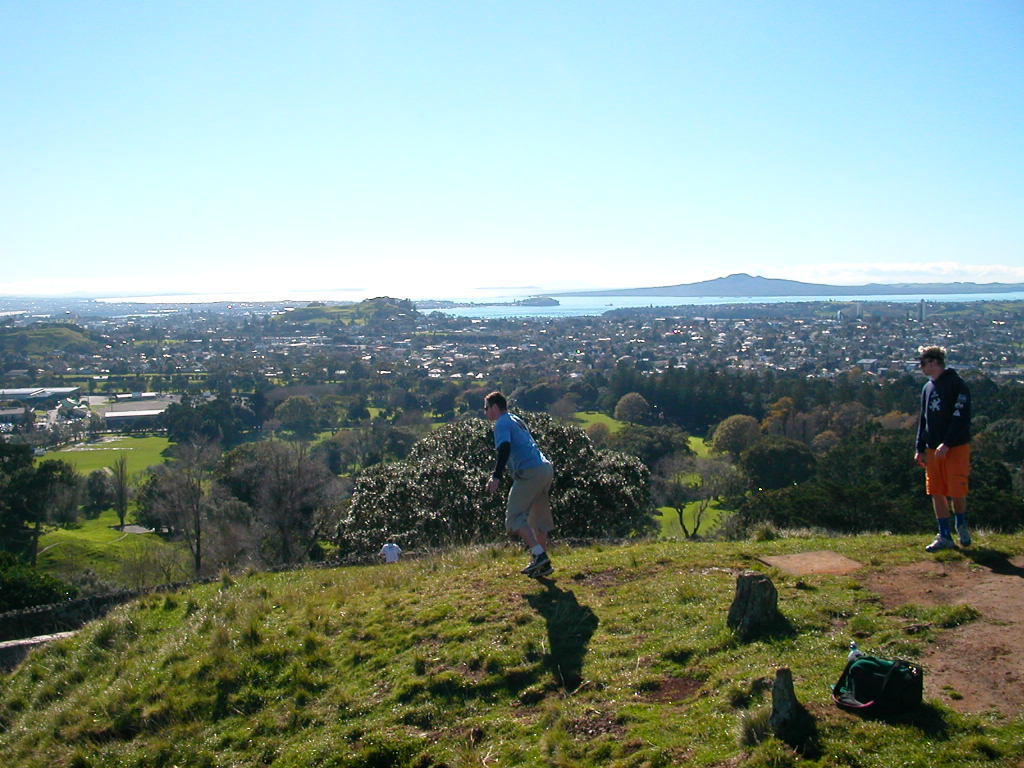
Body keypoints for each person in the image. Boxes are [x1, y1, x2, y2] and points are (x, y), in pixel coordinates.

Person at [483, 391, 555, 576]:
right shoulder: (515, 418)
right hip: (544, 468)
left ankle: (539, 556)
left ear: (495, 407)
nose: (485, 412)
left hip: (530, 471)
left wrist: (496, 476)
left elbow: (504, 448)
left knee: (514, 517)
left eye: (487, 408)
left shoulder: (502, 423)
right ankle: (543, 563)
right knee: (538, 520)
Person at [914, 346, 972, 552]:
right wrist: (919, 447)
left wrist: (947, 442)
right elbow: (924, 420)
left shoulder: (957, 385)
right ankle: (945, 534)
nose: (921, 367)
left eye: (923, 363)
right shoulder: (927, 388)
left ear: (934, 362)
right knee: (936, 490)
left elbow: (961, 417)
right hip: (932, 448)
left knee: (957, 488)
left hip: (955, 447)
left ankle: (961, 525)